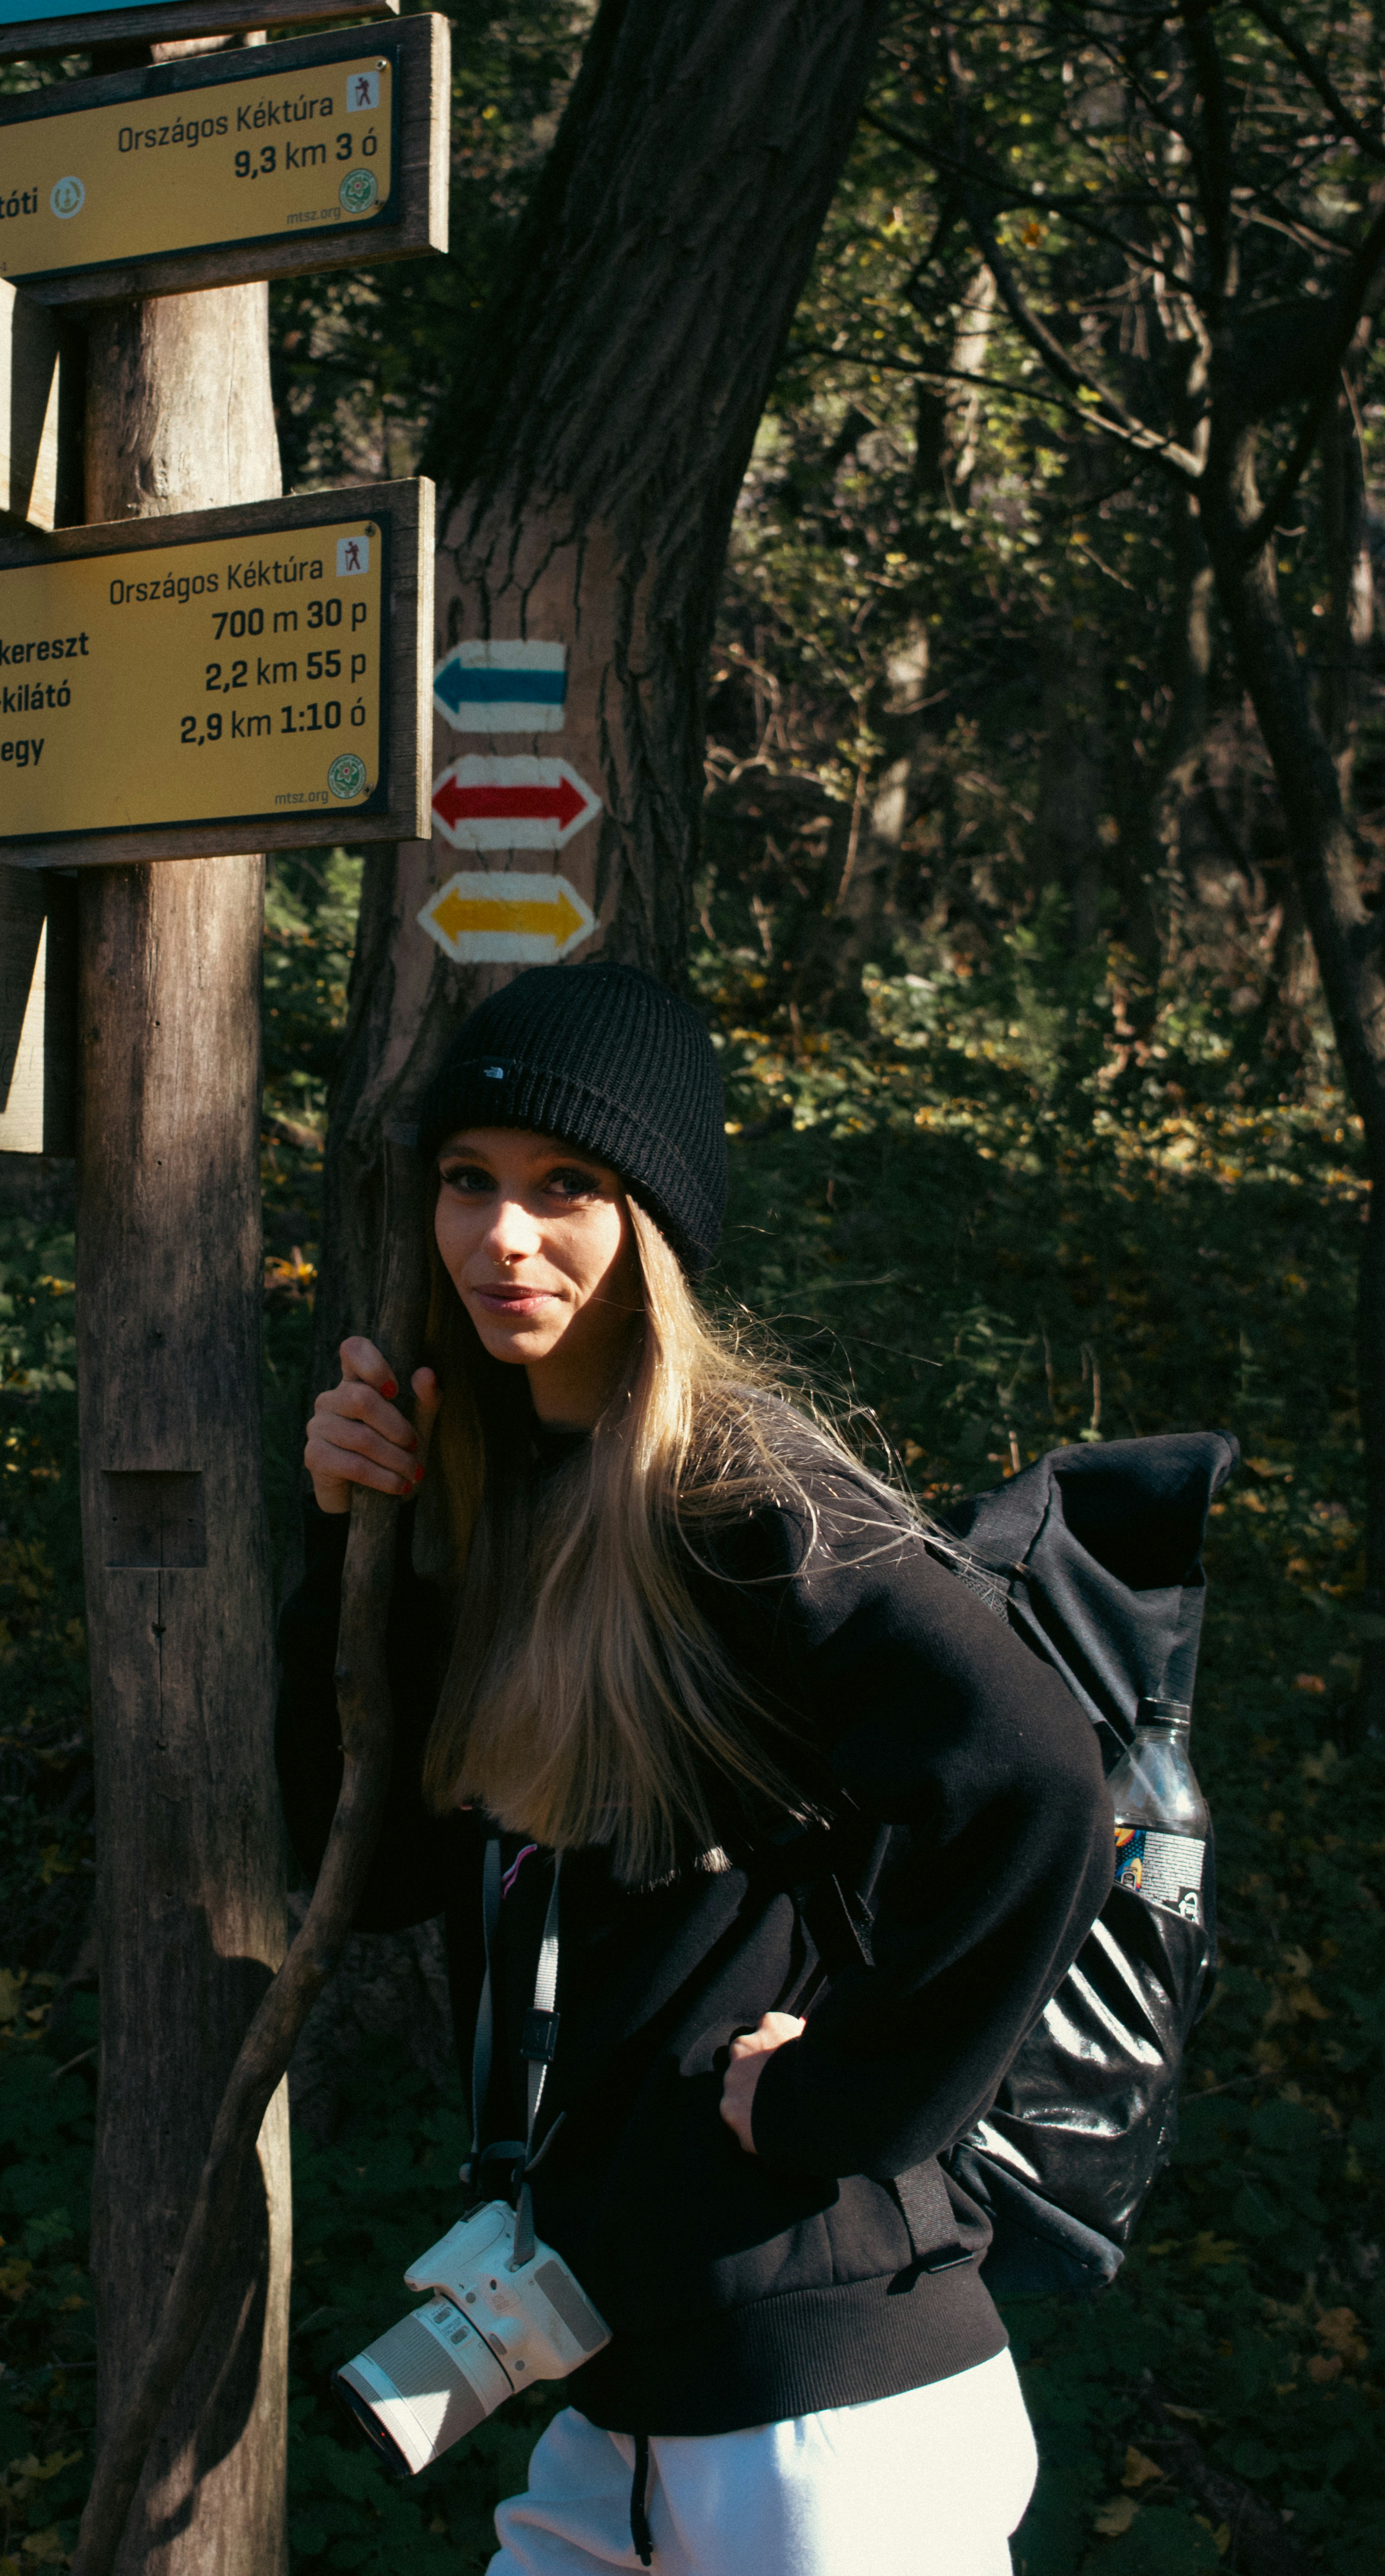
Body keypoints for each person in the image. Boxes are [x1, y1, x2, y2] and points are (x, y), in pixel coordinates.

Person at [276, 961, 1113, 2576]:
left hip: (827, 2420)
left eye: (565, 1188)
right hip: (624, 2391)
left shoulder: (749, 1505)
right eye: (471, 1181)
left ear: (650, 1223)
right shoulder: (520, 1508)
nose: (502, 1237)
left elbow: (1038, 1784)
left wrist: (842, 2096)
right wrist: (350, 1559)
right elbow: (362, 1875)